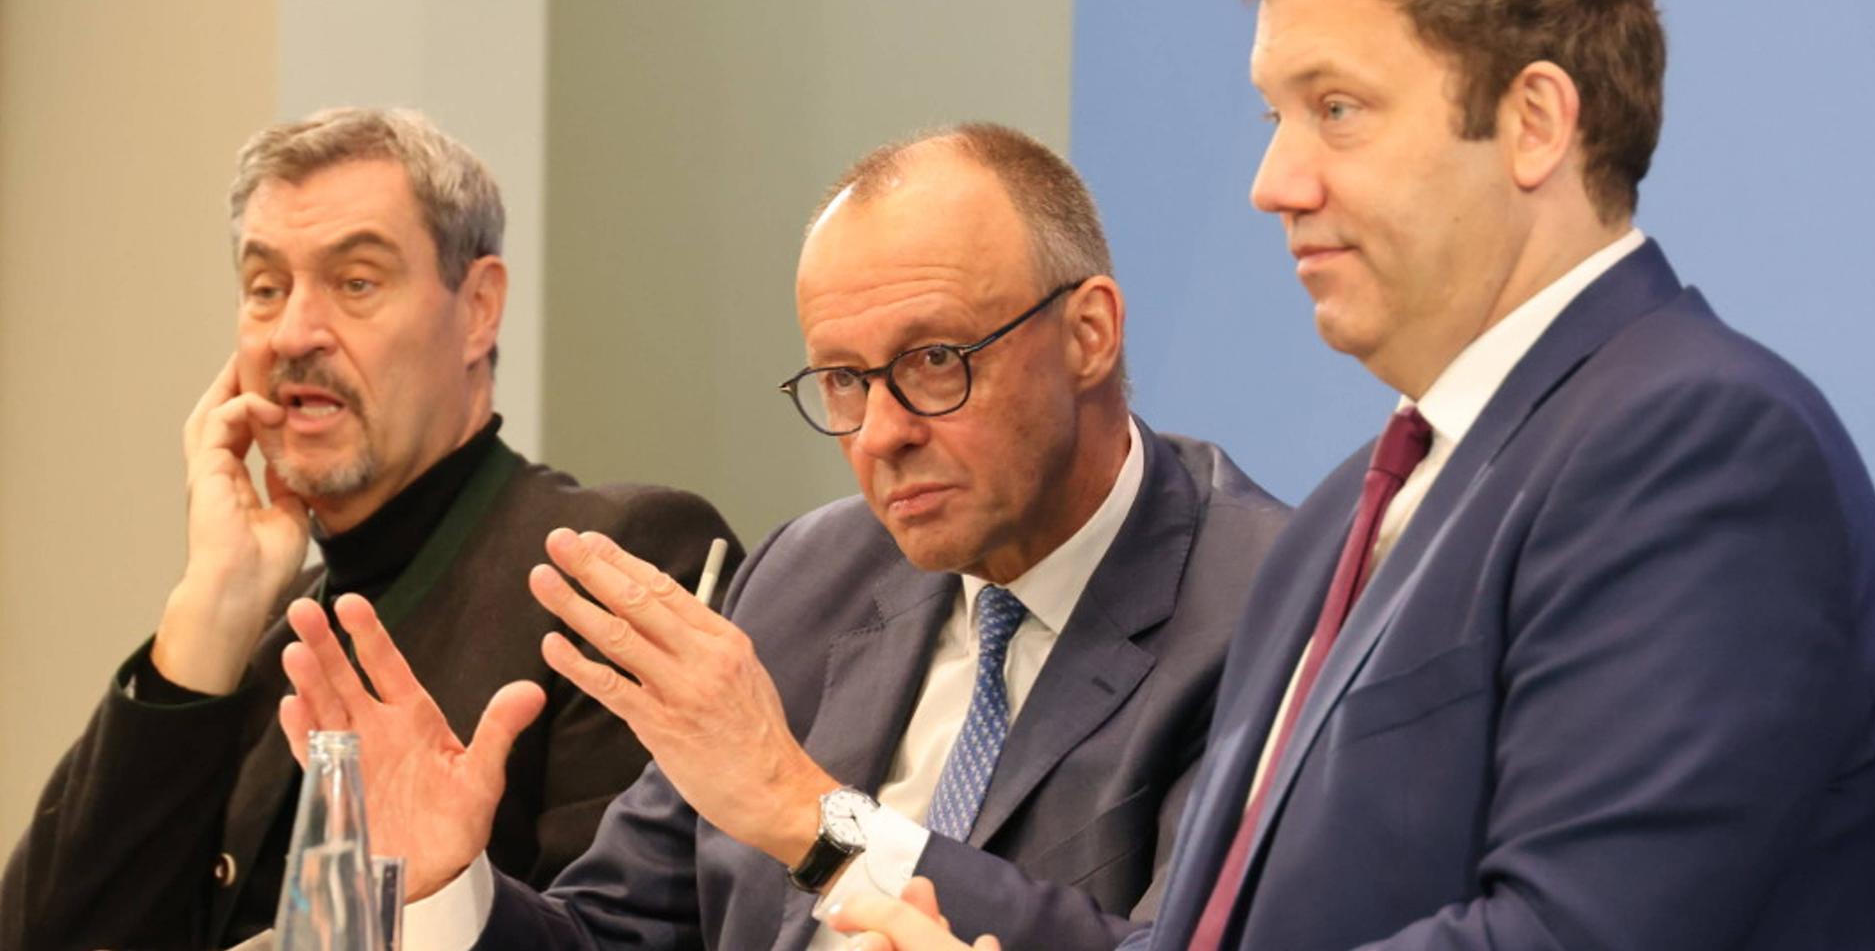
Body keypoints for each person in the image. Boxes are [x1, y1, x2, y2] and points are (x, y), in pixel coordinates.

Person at [828, 0, 1875, 949]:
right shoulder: (1340, 518)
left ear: (1534, 121)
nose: (1273, 181)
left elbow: (1567, 931)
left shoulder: (1700, 447)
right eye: (1275, 114)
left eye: (1335, 109)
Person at [277, 122, 1294, 948]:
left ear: (1089, 334)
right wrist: (454, 883)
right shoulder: (809, 576)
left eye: (936, 360)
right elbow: (615, 939)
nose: (884, 432)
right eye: (844, 382)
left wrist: (817, 819)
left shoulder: (1267, 602)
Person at [0, 108, 742, 949]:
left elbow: (632, 936)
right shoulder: (252, 633)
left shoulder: (611, 560)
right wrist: (210, 608)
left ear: (479, 310)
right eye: (265, 288)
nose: (293, 334)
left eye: (355, 282)